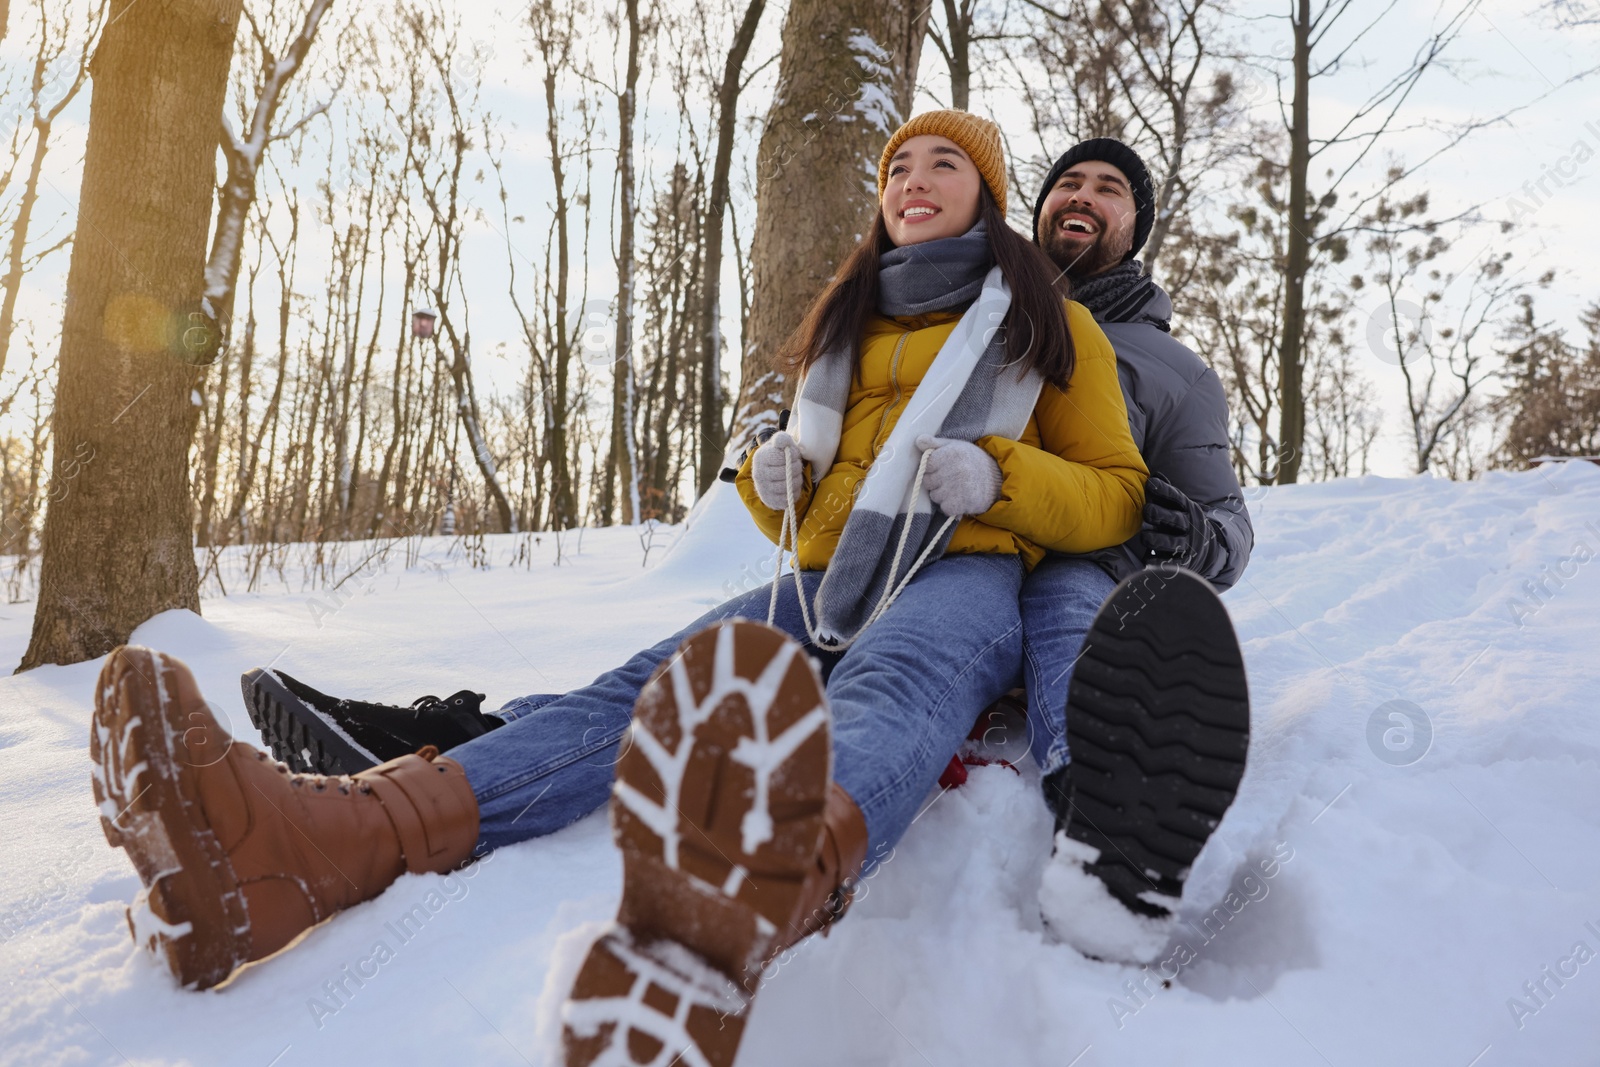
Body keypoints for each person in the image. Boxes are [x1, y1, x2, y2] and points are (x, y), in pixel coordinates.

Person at [90, 111, 1147, 1067]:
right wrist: (775, 481)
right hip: (826, 579)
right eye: (896, 165)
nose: (912, 179)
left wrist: (1001, 474)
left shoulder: (1050, 328)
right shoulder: (847, 327)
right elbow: (810, 512)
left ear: (988, 193)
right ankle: (319, 848)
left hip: (962, 574)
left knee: (894, 688)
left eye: (943, 163)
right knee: (646, 690)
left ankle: (743, 913)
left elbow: (1115, 499)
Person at [1015, 138, 1255, 949]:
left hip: (1080, 567)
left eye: (1109, 188)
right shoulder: (975, 308)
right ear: (1041, 208)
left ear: (1135, 224)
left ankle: (1110, 841)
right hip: (953, 553)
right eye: (1068, 182)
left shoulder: (1172, 370)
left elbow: (1229, 527)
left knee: (1070, 609)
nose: (1082, 195)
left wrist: (1193, 535)